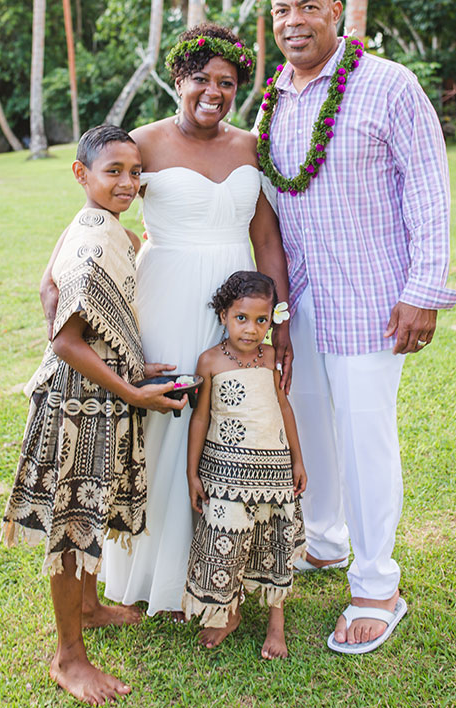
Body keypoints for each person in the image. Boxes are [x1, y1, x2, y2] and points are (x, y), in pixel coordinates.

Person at [255, 0, 456, 654]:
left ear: (335, 11)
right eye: (282, 11)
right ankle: (325, 540)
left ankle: (378, 585)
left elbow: (429, 187)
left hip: (374, 299)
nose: (292, 22)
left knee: (365, 437)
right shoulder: (272, 100)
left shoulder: (389, 84)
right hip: (301, 301)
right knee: (308, 419)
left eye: (307, 7)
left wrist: (423, 291)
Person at [95, 24, 292, 618]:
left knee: (229, 427)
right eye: (201, 78)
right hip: (165, 298)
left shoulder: (248, 147)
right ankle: (156, 577)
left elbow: (266, 237)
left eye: (227, 82)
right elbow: (103, 210)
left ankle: (223, 572)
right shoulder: (143, 143)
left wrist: (277, 321)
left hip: (238, 304)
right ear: (178, 79)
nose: (214, 90)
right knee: (164, 424)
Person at [2, 125, 187, 705]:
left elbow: (46, 286)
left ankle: (88, 605)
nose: (129, 183)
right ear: (81, 175)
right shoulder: (95, 240)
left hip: (98, 391)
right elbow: (65, 341)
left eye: (136, 172)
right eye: (114, 172)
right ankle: (68, 657)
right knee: (74, 523)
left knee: (90, 510)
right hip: (76, 403)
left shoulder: (96, 226)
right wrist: (132, 391)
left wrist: (130, 359)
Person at [182, 271, 306, 659]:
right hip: (226, 474)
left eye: (262, 321)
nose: (251, 330)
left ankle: (276, 625)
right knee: (227, 546)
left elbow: (284, 408)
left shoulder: (271, 358)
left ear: (272, 321)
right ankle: (228, 613)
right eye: (241, 318)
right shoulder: (210, 362)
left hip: (274, 471)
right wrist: (192, 471)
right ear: (223, 315)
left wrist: (298, 461)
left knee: (274, 544)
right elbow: (199, 418)